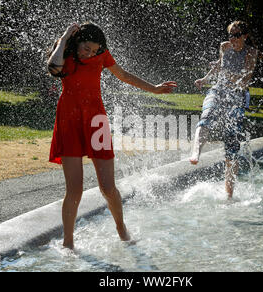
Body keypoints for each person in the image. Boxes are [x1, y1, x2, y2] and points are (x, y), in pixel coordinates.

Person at [47, 22, 177, 249]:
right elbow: (53, 68)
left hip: (96, 120)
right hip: (69, 121)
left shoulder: (102, 55)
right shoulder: (64, 49)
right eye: (87, 48)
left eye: (95, 50)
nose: (90, 53)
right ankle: (68, 243)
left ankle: (121, 228)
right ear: (77, 40)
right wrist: (65, 36)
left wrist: (154, 88)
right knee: (74, 190)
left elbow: (124, 75)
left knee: (108, 187)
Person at [190, 21, 258, 199]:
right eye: (231, 35)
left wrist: (230, 76)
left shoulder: (251, 53)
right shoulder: (224, 47)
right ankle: (196, 151)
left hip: (237, 97)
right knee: (207, 116)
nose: (233, 39)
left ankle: (229, 194)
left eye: (237, 35)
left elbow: (246, 79)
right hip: (219, 91)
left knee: (231, 145)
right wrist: (205, 79)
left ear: (245, 36)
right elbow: (220, 65)